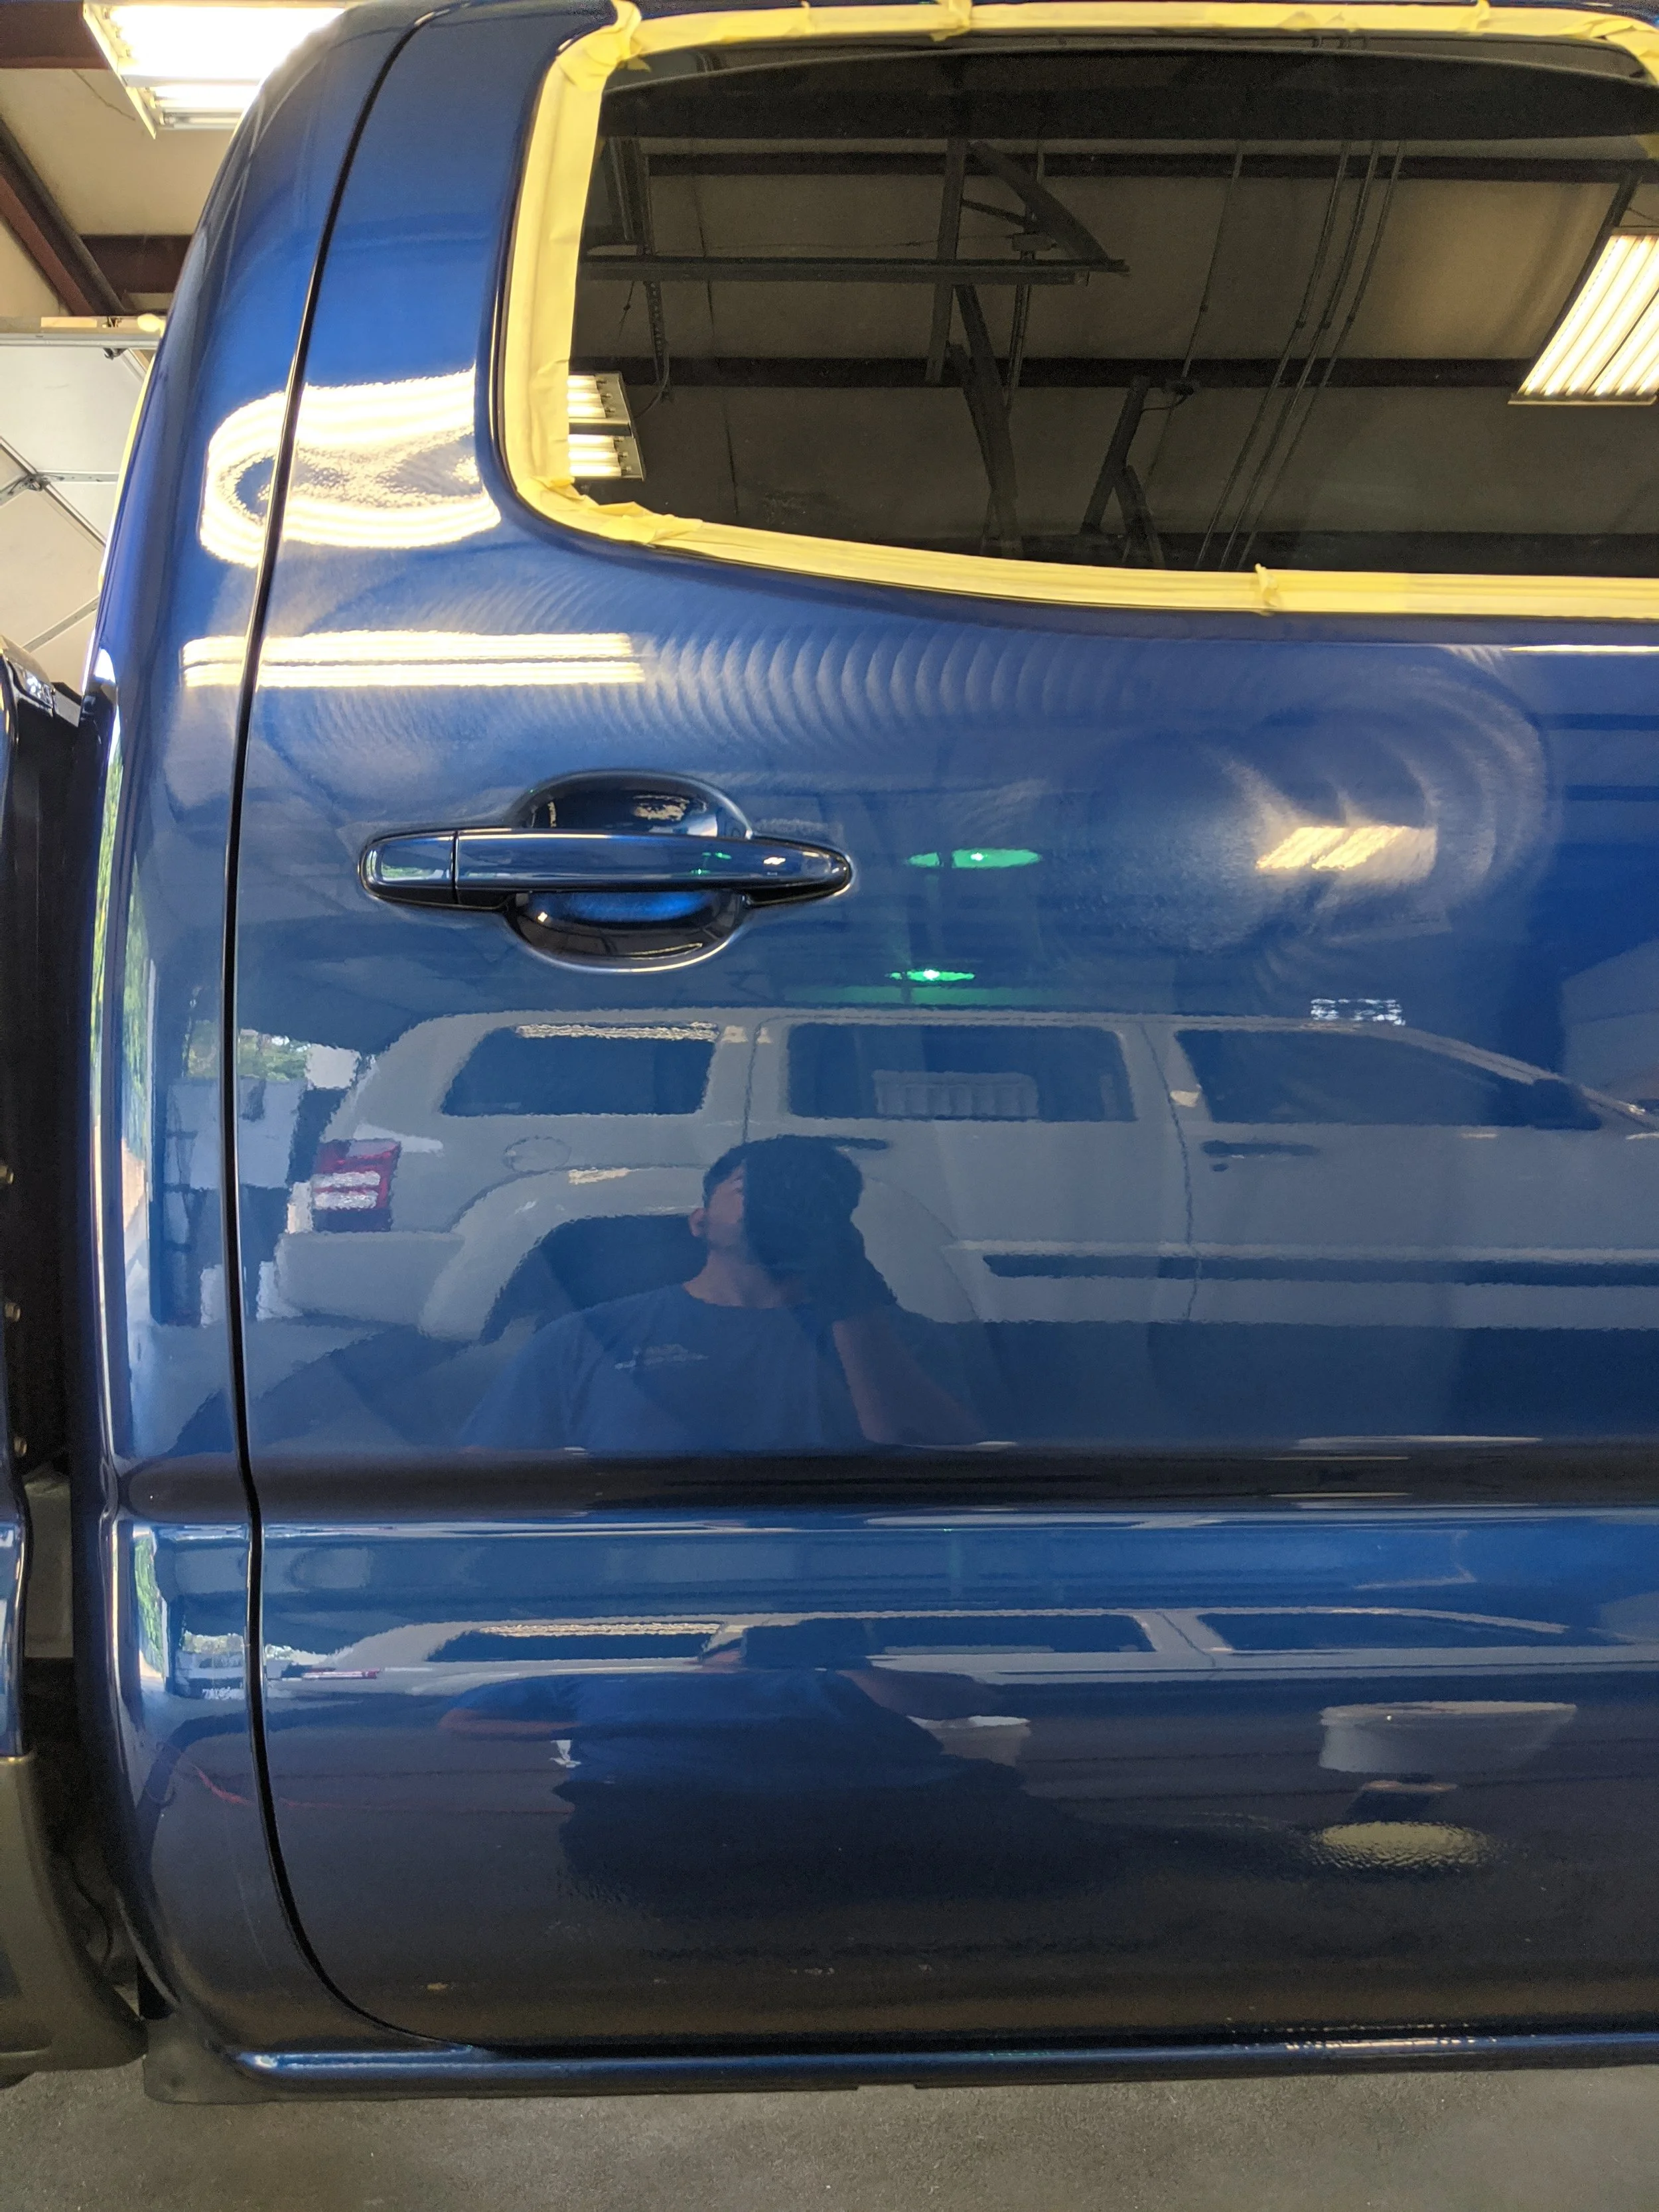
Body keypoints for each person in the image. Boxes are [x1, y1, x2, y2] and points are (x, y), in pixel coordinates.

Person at [463, 1136, 981, 1453]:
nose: (773, 1209)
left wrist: (848, 1296)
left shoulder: (903, 1341)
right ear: (698, 1220)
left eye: (805, 1200)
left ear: (838, 1223)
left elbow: (939, 1464)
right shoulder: (584, 1339)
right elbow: (487, 1480)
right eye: (748, 1188)